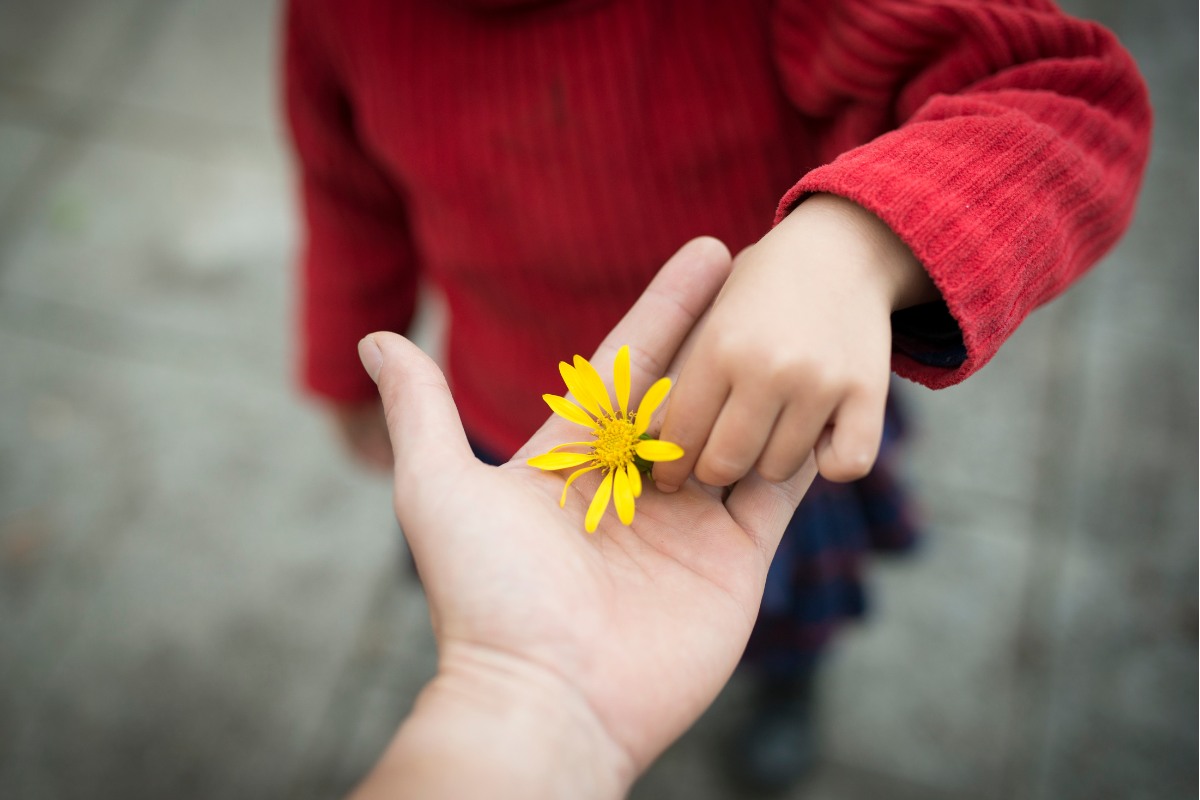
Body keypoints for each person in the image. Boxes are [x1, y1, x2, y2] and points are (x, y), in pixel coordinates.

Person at [282, 0, 1151, 789]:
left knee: (778, 601)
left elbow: (1070, 96)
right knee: (510, 580)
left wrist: (859, 244)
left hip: (766, 438)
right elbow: (346, 194)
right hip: (517, 427)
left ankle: (787, 682)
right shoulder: (339, 18)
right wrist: (344, 365)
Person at [348, 240, 819, 798]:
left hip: (762, 361)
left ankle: (789, 681)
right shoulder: (585, 461)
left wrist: (848, 246)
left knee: (796, 590)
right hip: (494, 392)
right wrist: (518, 682)